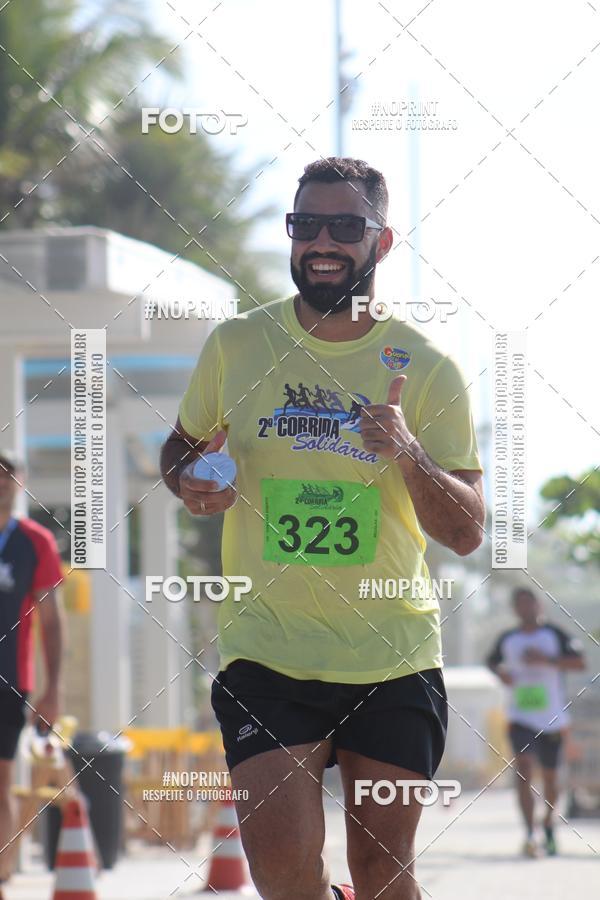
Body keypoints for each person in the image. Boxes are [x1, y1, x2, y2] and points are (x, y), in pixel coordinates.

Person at [161, 157, 485, 900]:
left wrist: (408, 451)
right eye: (306, 224)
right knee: (281, 872)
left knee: (382, 871)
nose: (322, 243)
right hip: (267, 653)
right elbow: (180, 446)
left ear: (382, 240)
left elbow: (466, 531)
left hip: (391, 654)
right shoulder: (236, 345)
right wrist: (190, 481)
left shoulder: (428, 366)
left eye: (344, 225)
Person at [0, 451, 64, 896]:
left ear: (19, 485)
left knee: (1, 783)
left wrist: (53, 688)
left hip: (9, 680)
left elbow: (52, 621)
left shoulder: (34, 541)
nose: (1, 485)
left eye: (8, 478)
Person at [486, 586, 585, 857]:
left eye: (530, 603)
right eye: (520, 604)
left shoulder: (555, 635)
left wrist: (547, 660)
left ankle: (549, 823)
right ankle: (530, 833)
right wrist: (501, 673)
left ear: (539, 605)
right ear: (514, 609)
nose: (526, 608)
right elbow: (491, 662)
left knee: (551, 778)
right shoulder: (508, 638)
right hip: (519, 716)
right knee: (524, 769)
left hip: (552, 718)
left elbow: (579, 663)